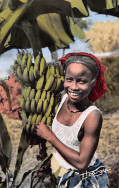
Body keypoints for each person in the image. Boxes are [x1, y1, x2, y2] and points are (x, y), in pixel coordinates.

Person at [33, 52, 110, 188]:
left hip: (84, 179)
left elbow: (81, 163)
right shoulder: (62, 98)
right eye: (69, 79)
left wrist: (50, 137)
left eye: (82, 81)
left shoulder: (92, 116)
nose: (73, 87)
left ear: (93, 83)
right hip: (60, 171)